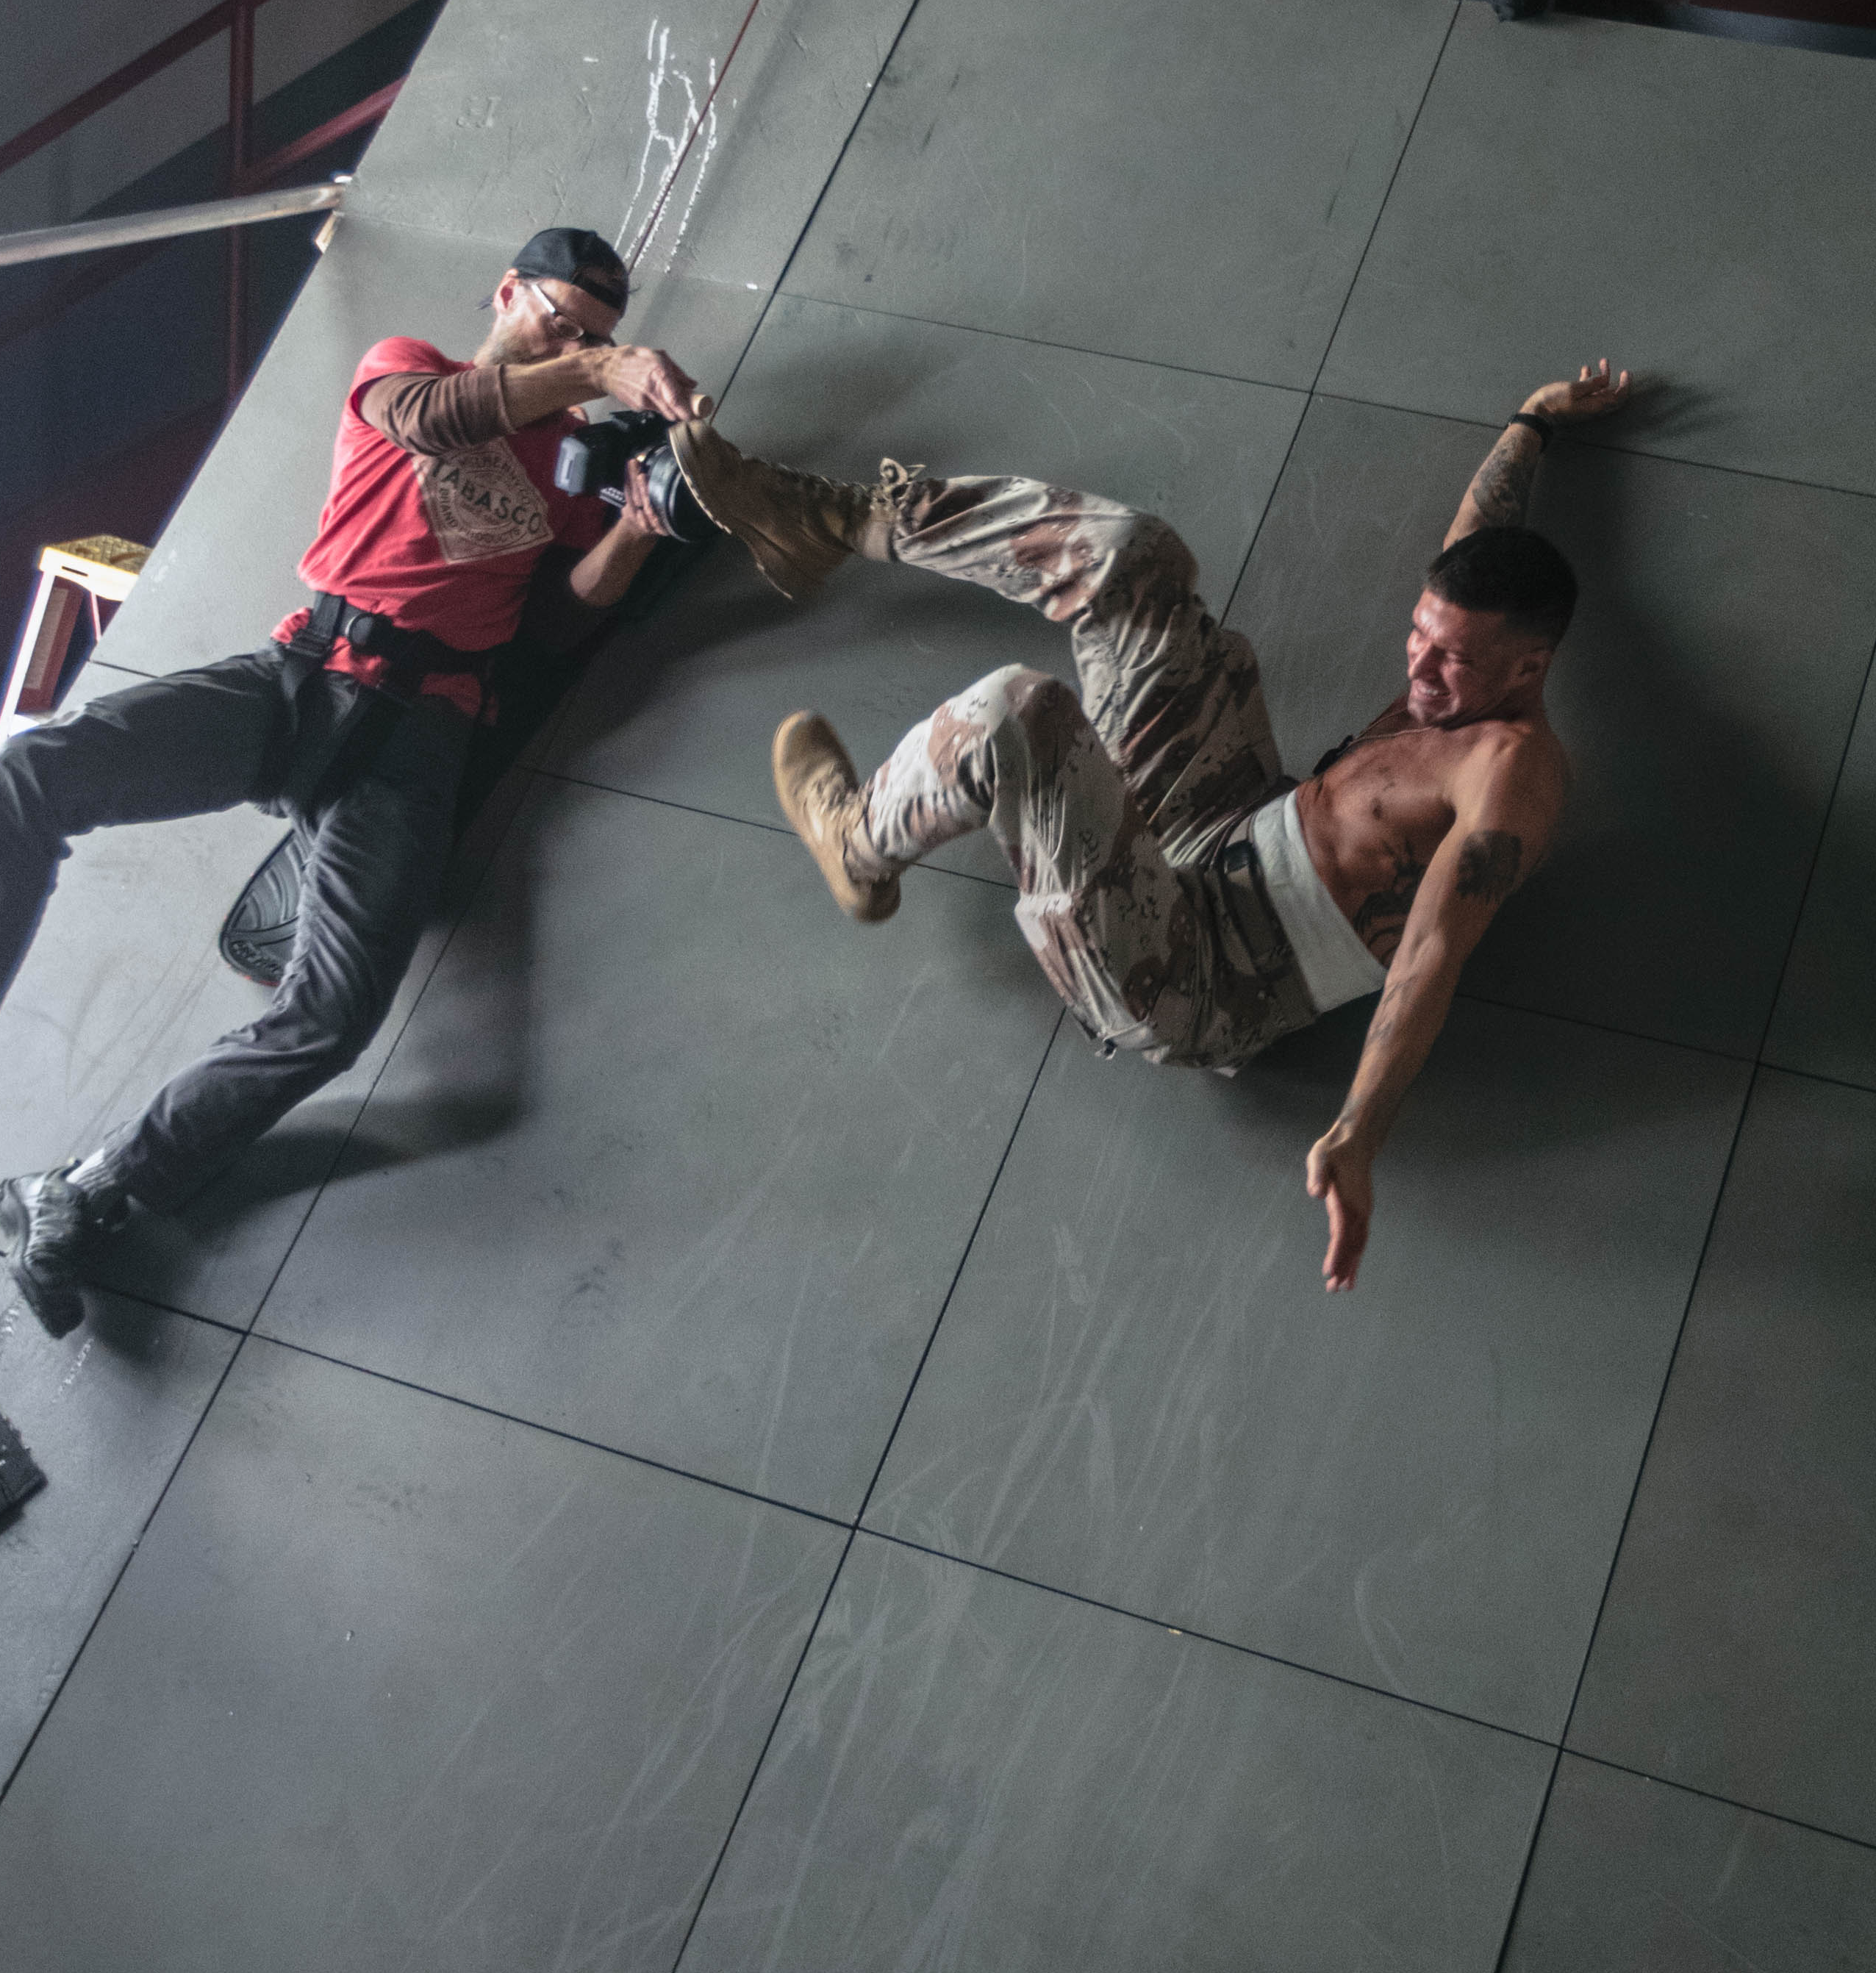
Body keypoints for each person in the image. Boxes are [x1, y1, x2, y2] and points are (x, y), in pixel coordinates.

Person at [0, 231, 705, 1332]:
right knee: (34, 773)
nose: (576, 342)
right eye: (561, 318)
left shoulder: (567, 469)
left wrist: (637, 531)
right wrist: (597, 370)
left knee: (335, 1016)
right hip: (296, 679)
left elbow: (549, 627)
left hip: (421, 740)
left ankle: (84, 1192)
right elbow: (434, 422)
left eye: (595, 336)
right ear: (509, 292)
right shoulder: (410, 368)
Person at [670, 363, 1628, 1291]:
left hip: (1203, 974)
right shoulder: (1467, 652)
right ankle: (829, 521)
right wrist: (1531, 424)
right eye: (1418, 633)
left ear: (1528, 668)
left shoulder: (1510, 781)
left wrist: (1359, 1131)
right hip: (1230, 816)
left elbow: (1429, 959)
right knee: (1132, 554)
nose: (1419, 669)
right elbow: (1482, 531)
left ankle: (856, 848)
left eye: (1452, 659)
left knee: (1018, 713)